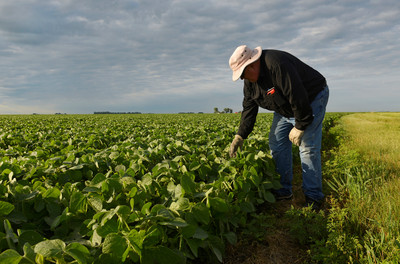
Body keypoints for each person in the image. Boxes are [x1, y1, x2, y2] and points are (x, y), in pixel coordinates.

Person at [228, 45, 329, 209]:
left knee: (307, 148)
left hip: (311, 99)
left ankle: (314, 199)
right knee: (277, 142)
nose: (242, 79)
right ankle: (283, 190)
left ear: (252, 65)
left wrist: (300, 125)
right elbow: (249, 108)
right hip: (285, 107)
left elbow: (298, 94)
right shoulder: (250, 82)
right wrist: (240, 135)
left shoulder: (276, 65)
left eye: (243, 74)